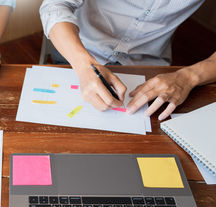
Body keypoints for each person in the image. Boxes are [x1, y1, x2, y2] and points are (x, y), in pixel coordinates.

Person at [39, 0, 211, 120]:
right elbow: (55, 6)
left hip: (150, 70)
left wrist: (188, 77)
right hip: (77, 52)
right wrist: (84, 66)